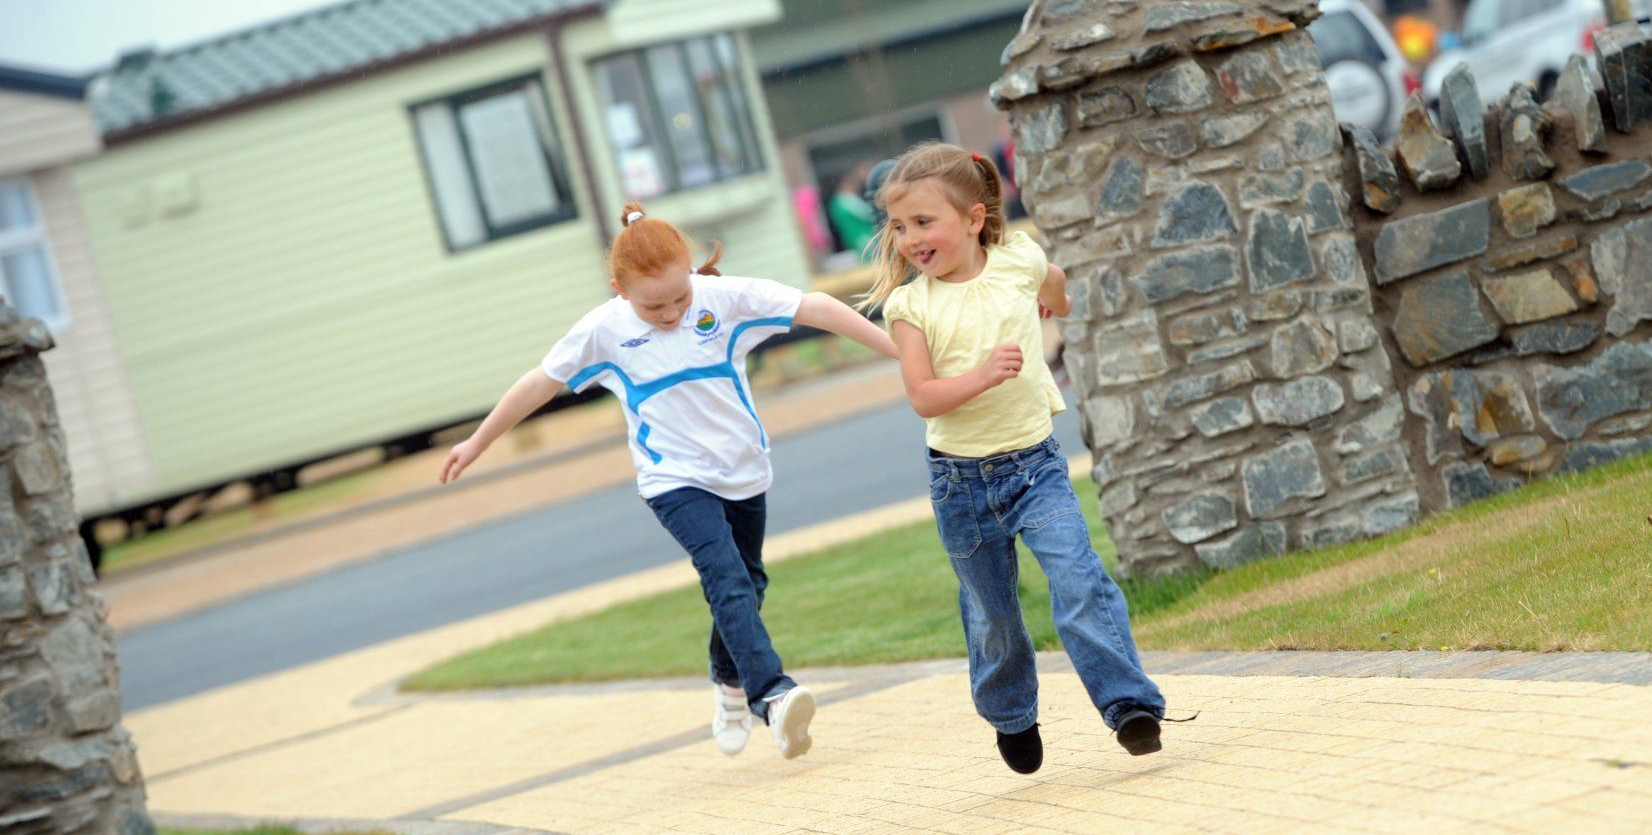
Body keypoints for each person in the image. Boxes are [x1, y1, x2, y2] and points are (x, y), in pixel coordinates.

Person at [440, 203, 899, 759]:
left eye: (680, 297)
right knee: (727, 578)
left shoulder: (720, 301)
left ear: (691, 271)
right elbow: (540, 383)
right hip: (673, 479)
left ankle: (727, 681)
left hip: (743, 469)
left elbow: (817, 306)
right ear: (619, 289)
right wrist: (478, 441)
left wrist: (900, 353)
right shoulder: (604, 329)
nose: (671, 313)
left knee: (749, 585)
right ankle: (772, 696)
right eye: (652, 305)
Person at [864, 142, 1168, 775]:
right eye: (899, 227)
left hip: (1036, 466)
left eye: (924, 222)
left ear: (974, 219)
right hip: (961, 484)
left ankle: (1130, 705)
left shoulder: (1018, 259)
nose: (910, 238)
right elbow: (923, 397)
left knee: (1078, 577)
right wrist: (982, 376)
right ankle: (1011, 715)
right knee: (993, 613)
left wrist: (1053, 303)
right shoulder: (910, 306)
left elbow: (1054, 287)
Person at [825, 163, 881, 256]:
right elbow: (868, 214)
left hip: (854, 240)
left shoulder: (835, 202)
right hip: (864, 240)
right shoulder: (845, 200)